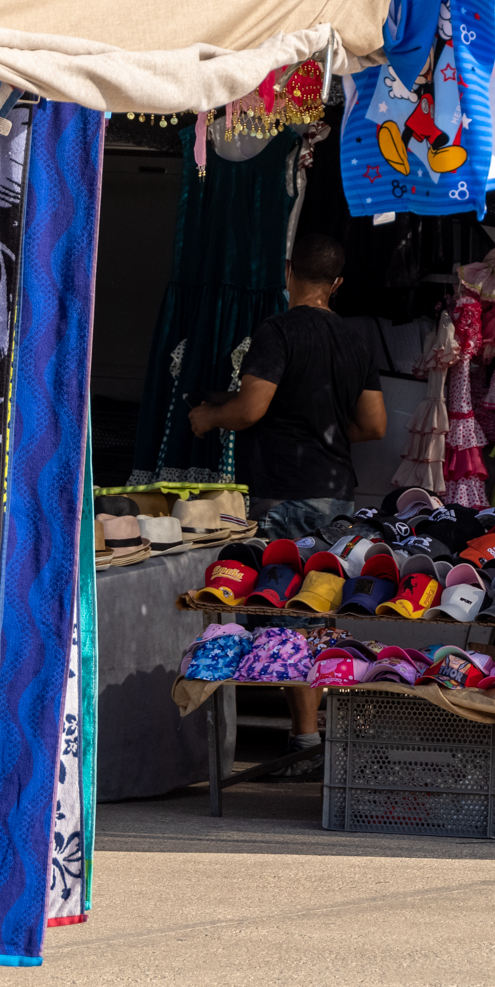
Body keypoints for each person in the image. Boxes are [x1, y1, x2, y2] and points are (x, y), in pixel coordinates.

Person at [189, 233, 387, 767]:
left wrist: (209, 417)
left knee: (284, 615)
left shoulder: (277, 331)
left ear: (288, 272)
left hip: (283, 493)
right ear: (338, 284)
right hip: (337, 494)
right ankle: (312, 737)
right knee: (317, 610)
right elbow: (373, 425)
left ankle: (306, 742)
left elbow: (251, 409)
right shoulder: (356, 340)